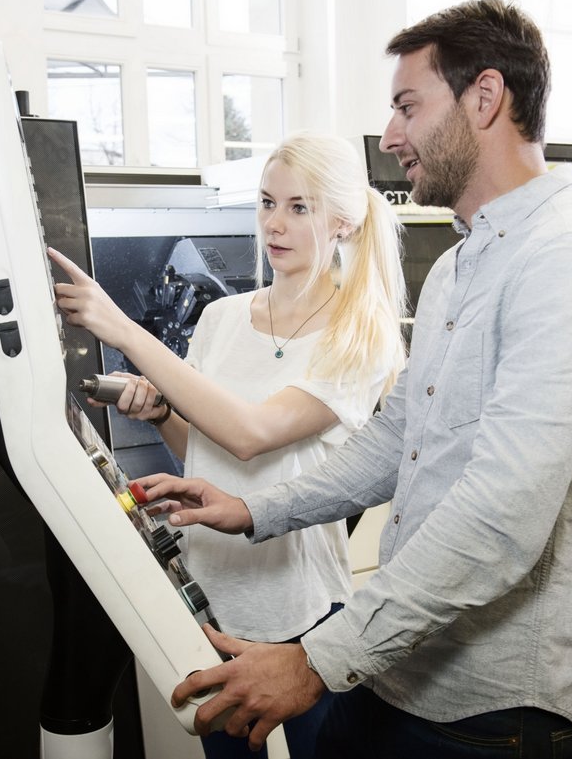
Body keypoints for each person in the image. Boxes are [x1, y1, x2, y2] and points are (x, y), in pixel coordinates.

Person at [138, 0, 572, 759]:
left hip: (494, 712)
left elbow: (502, 517)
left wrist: (317, 657)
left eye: (407, 107)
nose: (389, 137)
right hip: (396, 670)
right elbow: (397, 440)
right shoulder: (457, 267)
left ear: (485, 98)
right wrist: (253, 510)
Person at [48, 131, 409, 758]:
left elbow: (251, 435)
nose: (275, 223)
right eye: (267, 202)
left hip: (300, 611)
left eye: (300, 207)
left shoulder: (359, 337)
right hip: (213, 592)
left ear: (344, 222)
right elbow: (207, 449)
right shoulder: (222, 318)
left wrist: (123, 329)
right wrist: (162, 411)